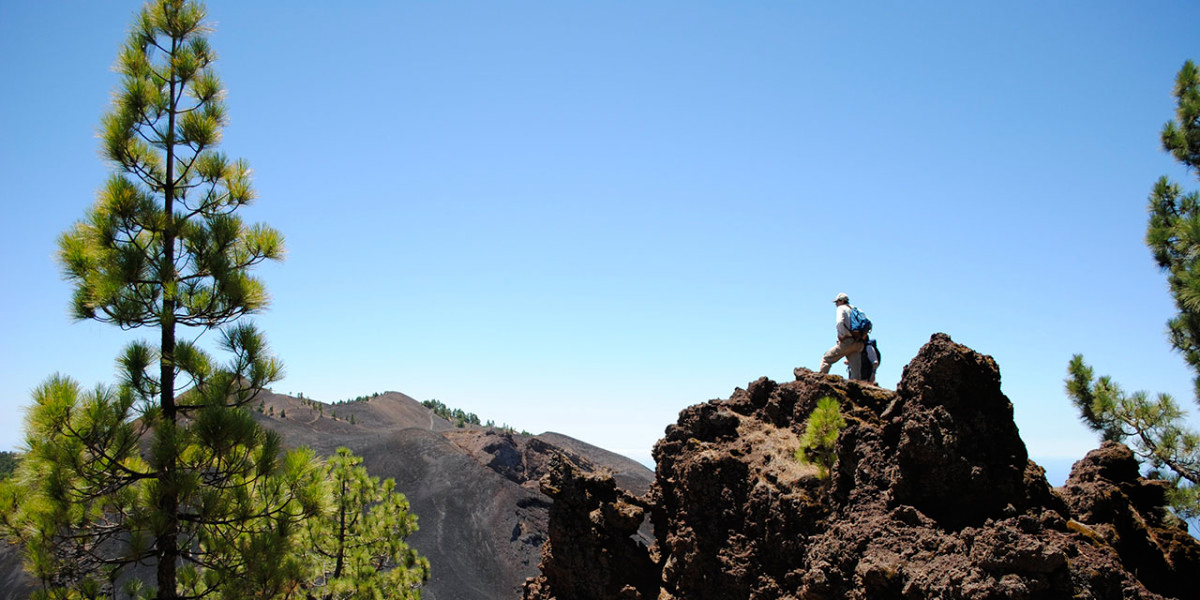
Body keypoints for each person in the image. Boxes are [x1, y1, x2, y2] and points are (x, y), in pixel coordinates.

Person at [818, 293, 865, 379]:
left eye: (837, 302)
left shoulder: (841, 308)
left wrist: (842, 335)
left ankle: (819, 381)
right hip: (859, 343)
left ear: (842, 301)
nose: (836, 304)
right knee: (856, 372)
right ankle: (855, 389)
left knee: (827, 358)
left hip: (847, 341)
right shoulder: (856, 309)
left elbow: (840, 322)